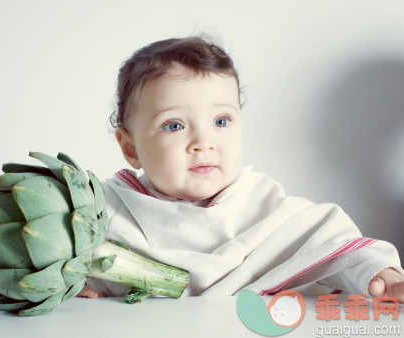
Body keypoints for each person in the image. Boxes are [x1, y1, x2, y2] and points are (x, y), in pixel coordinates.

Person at [78, 35, 404, 301]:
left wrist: (378, 274)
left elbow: (333, 249)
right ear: (130, 148)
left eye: (221, 121)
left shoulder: (263, 206)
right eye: (175, 125)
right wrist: (70, 283)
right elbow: (65, 260)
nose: (204, 142)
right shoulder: (108, 211)